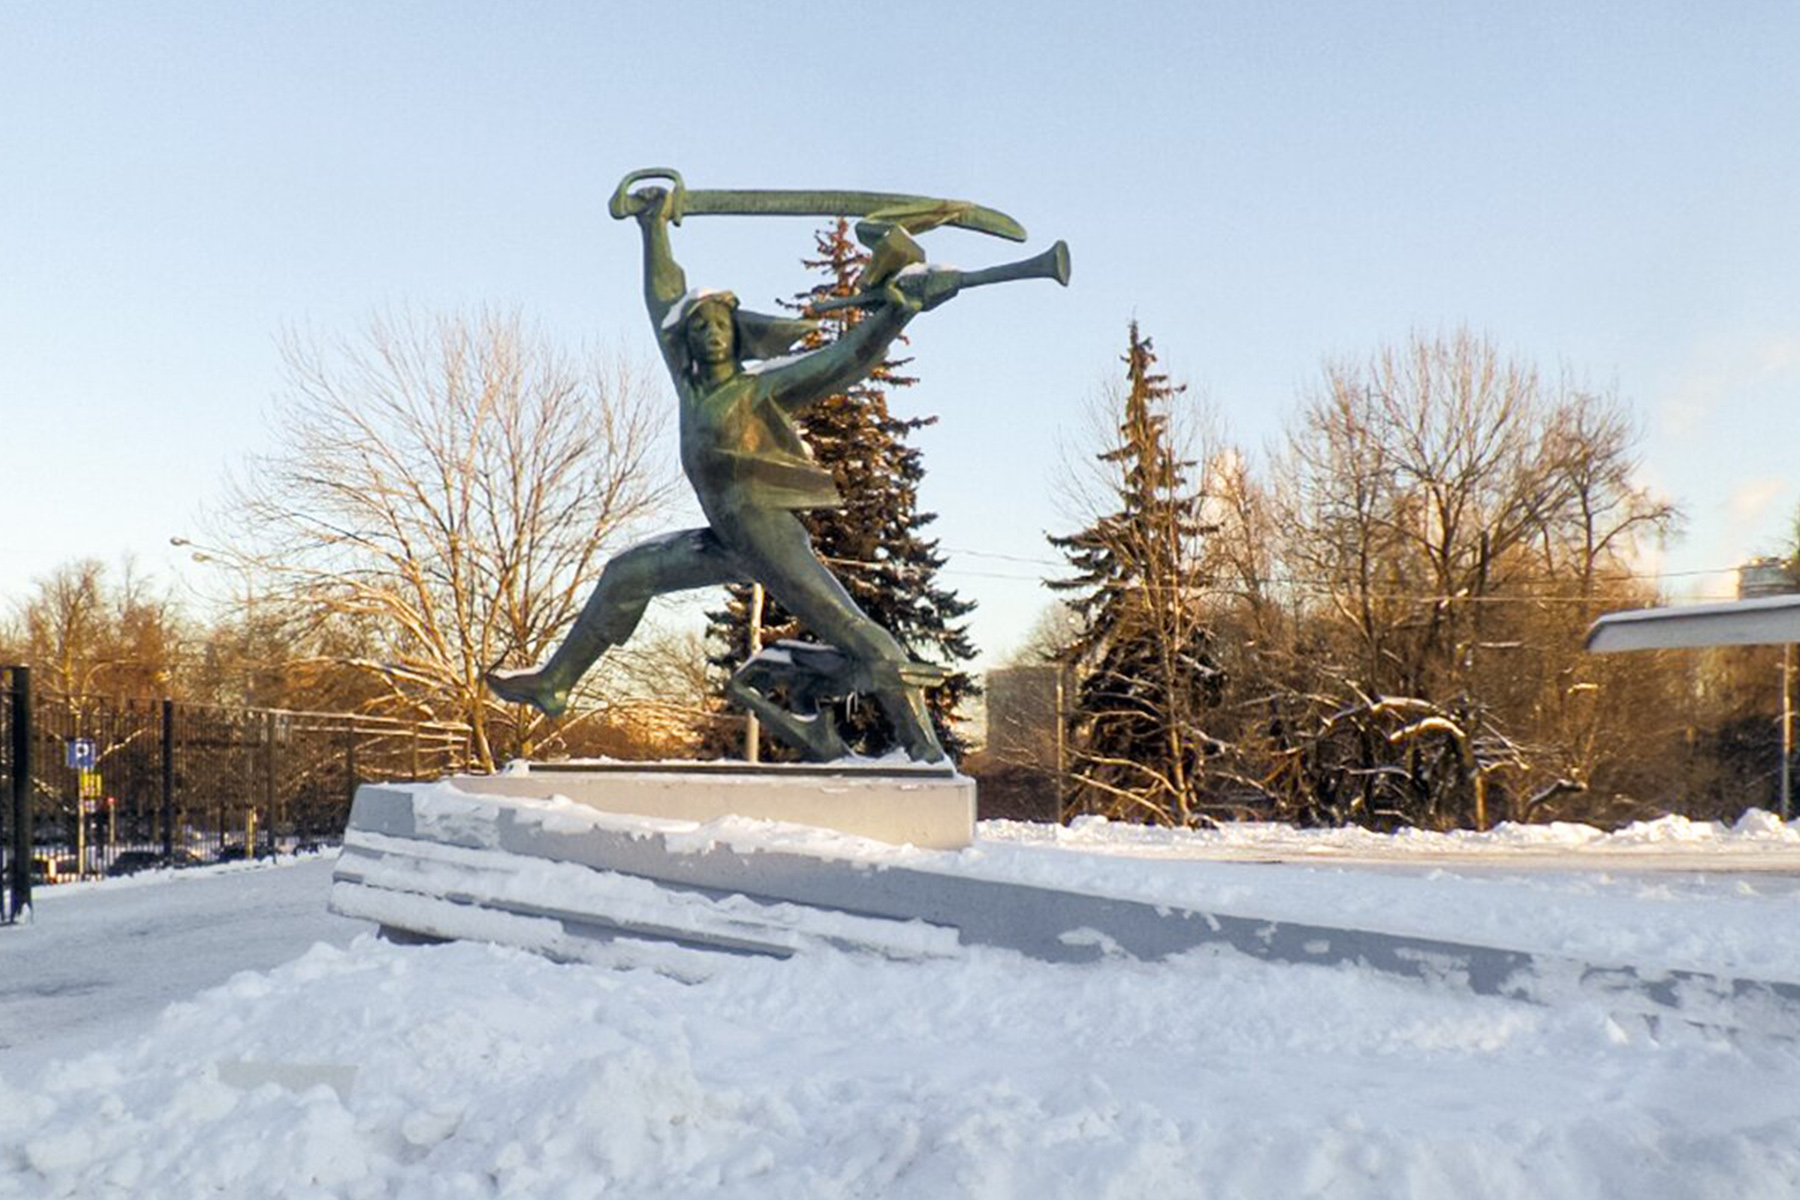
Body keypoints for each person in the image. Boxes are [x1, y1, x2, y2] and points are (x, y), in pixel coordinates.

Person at [487, 186, 947, 760]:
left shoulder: (761, 387)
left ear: (738, 333)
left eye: (720, 324)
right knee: (628, 576)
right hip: (729, 538)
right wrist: (653, 227)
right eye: (699, 327)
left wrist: (899, 311)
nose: (709, 332)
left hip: (767, 535)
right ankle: (554, 683)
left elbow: (846, 360)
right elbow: (663, 300)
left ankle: (923, 751)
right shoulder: (690, 385)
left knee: (855, 634)